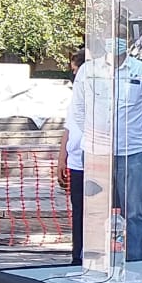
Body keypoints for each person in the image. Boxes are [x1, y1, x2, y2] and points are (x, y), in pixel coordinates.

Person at [68, 37, 142, 262]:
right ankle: (93, 256)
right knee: (95, 208)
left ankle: (136, 256)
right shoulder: (88, 70)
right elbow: (79, 109)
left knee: (134, 210)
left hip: (131, 150)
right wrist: (94, 136)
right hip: (97, 151)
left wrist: (136, 136)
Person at [58, 49, 86, 265]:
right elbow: (68, 128)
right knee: (78, 209)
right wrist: (62, 158)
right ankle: (77, 254)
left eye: (75, 69)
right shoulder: (75, 97)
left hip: (97, 156)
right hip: (76, 160)